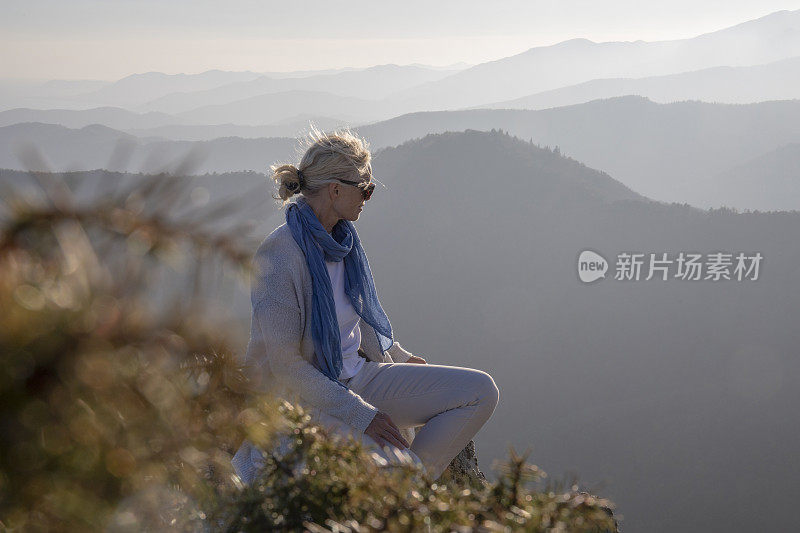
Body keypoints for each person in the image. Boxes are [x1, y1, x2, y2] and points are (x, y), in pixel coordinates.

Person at [231, 126, 499, 485]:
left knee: (481, 392)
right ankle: (407, 487)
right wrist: (363, 416)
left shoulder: (343, 241)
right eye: (365, 188)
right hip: (307, 398)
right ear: (335, 189)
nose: (368, 197)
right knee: (386, 470)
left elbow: (357, 318)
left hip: (360, 376)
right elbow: (286, 366)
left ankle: (410, 488)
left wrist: (401, 356)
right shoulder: (280, 255)